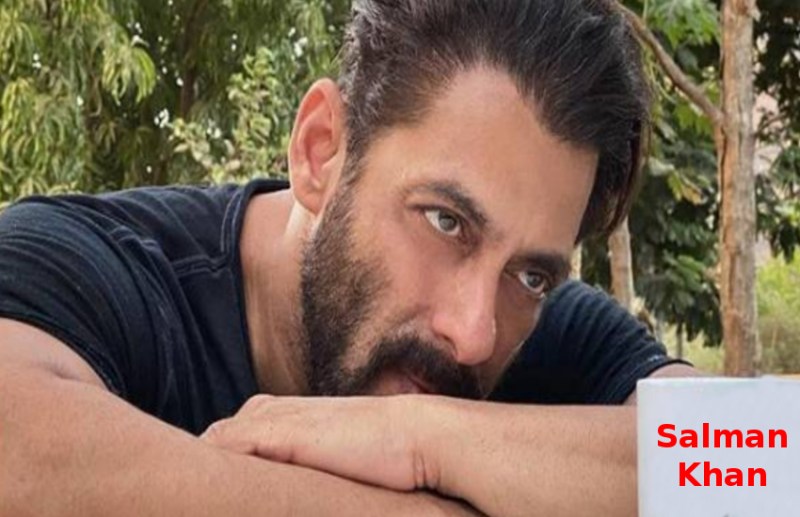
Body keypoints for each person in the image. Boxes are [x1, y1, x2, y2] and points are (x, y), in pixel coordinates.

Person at [0, 0, 699, 515]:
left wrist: (424, 438)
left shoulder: (541, 322)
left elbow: (749, 454)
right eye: (446, 221)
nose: (474, 334)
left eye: (533, 273)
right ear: (320, 151)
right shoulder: (96, 266)